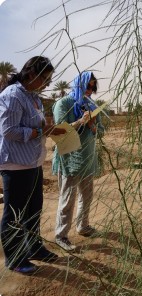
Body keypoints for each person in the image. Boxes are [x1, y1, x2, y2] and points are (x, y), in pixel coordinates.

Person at [0, 56, 66, 274]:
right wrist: (38, 132)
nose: (47, 83)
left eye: (49, 79)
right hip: (16, 164)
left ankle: (34, 247)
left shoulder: (33, 97)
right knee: (15, 214)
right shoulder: (12, 95)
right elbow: (9, 131)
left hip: (33, 162)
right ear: (30, 74)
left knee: (33, 210)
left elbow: (35, 124)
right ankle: (16, 258)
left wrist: (48, 128)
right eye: (44, 78)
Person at [52, 71, 104, 251]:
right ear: (79, 84)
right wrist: (81, 121)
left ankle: (83, 226)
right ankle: (61, 235)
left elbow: (101, 132)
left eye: (93, 87)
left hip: (87, 159)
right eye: (88, 86)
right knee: (67, 199)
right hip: (70, 159)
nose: (90, 90)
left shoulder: (91, 105)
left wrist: (93, 125)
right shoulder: (63, 103)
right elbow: (59, 130)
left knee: (87, 196)